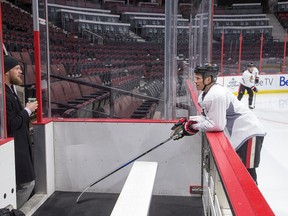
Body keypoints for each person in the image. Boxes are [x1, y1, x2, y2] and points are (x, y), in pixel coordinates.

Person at [171, 63, 266, 184]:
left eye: (198, 78)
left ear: (208, 79)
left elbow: (216, 125)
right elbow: (206, 118)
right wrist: (189, 121)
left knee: (248, 172)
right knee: (240, 169)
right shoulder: (206, 94)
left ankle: (254, 200)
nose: (195, 81)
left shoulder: (216, 95)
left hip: (249, 132)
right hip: (240, 133)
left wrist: (191, 126)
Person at [3, 55, 38, 208]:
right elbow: (11, 124)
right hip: (14, 146)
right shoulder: (3, 94)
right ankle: (12, 211)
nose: (20, 71)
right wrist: (27, 111)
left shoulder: (10, 90)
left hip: (20, 145)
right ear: (6, 72)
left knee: (25, 183)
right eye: (16, 68)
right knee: (27, 183)